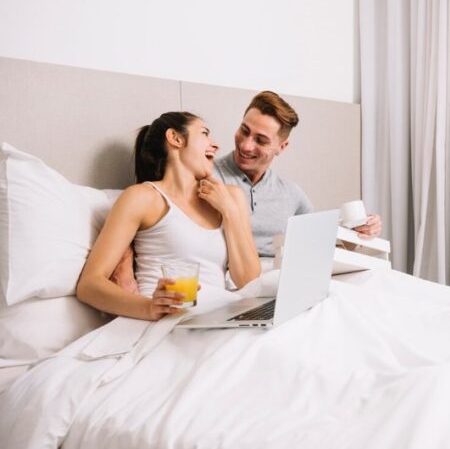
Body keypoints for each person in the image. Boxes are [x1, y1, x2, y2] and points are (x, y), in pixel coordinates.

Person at [77, 112, 261, 321]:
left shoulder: (231, 197)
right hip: (166, 321)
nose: (216, 145)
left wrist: (229, 211)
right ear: (175, 138)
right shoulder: (142, 197)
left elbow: (249, 282)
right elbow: (89, 285)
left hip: (217, 317)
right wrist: (149, 308)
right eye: (204, 134)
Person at [212, 91, 382, 258]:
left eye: (261, 140)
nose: (246, 145)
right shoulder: (207, 175)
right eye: (244, 130)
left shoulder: (291, 194)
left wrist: (359, 230)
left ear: (282, 147)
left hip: (281, 278)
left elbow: (322, 243)